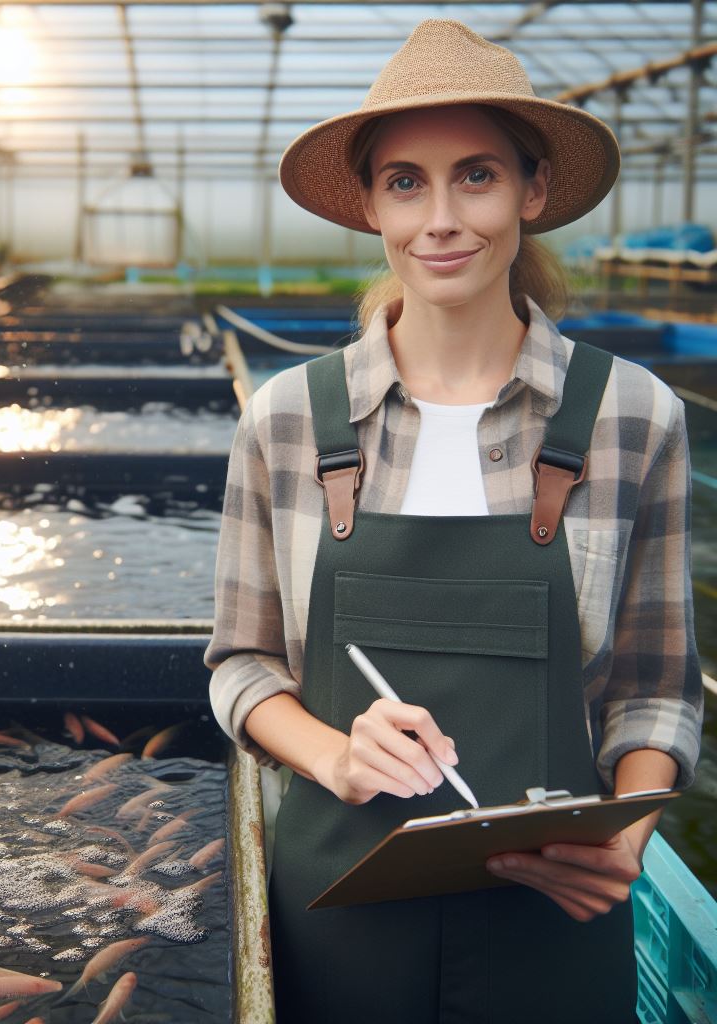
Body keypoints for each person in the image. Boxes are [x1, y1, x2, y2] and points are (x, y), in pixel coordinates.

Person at [204, 18, 703, 1024]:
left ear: (532, 190)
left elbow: (654, 695)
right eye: (404, 182)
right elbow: (241, 668)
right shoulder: (289, 419)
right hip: (334, 923)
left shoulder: (633, 415)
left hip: (552, 928)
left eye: (473, 176)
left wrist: (624, 838)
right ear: (371, 207)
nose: (439, 218)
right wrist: (335, 754)